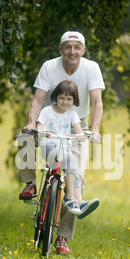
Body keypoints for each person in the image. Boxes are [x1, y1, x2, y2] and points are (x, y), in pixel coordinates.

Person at [18, 30, 105, 255]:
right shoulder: (49, 67)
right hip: (47, 121)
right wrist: (31, 124)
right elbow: (38, 99)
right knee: (25, 137)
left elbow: (97, 103)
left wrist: (94, 131)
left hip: (77, 125)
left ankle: (63, 237)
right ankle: (30, 183)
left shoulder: (91, 68)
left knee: (76, 176)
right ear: (61, 50)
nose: (72, 51)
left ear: (83, 50)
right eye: (68, 47)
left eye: (77, 47)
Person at [36, 80, 94, 216]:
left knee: (74, 173)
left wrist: (80, 134)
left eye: (69, 99)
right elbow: (39, 125)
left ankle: (79, 202)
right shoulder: (47, 111)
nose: (65, 102)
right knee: (71, 161)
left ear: (74, 100)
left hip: (64, 148)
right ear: (56, 97)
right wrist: (42, 131)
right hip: (49, 146)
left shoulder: (72, 113)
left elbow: (78, 128)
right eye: (62, 98)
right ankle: (69, 198)